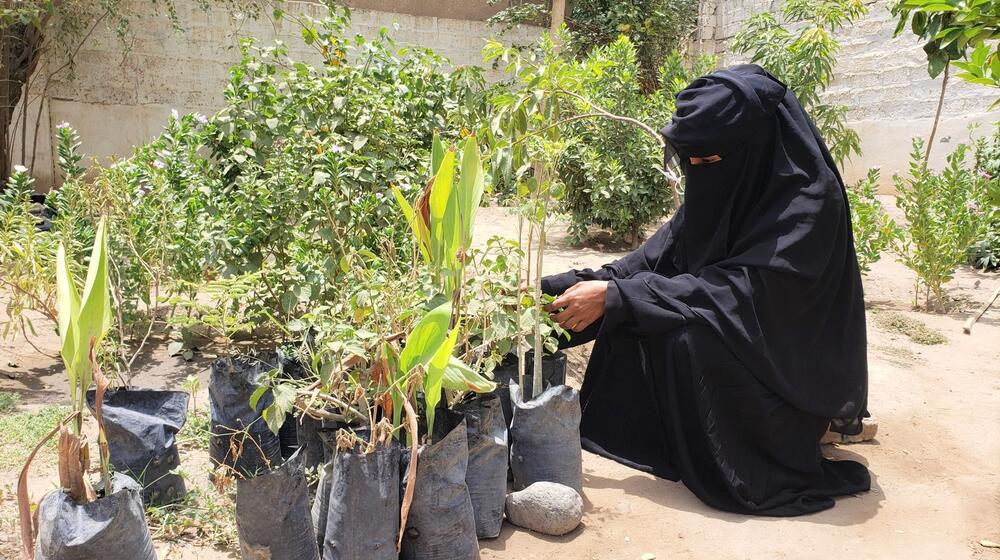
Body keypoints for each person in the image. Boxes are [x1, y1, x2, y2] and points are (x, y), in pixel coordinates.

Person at [541, 64, 871, 516]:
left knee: (678, 329)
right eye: (690, 161)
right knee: (635, 301)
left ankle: (739, 460)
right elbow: (642, 264)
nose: (699, 172)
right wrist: (545, 294)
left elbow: (745, 294)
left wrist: (618, 298)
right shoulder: (721, 187)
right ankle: (671, 441)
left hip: (784, 375)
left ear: (753, 146)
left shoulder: (809, 205)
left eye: (710, 160)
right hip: (744, 347)